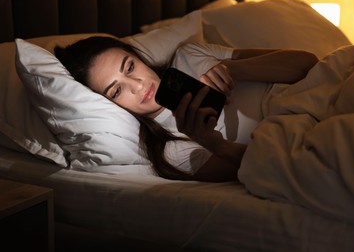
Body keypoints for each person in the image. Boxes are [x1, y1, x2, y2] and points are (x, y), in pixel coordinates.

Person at [54, 36, 318, 182]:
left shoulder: (189, 55)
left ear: (141, 59)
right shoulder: (170, 147)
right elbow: (269, 168)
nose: (136, 85)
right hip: (310, 130)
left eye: (130, 67)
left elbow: (307, 62)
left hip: (323, 88)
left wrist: (234, 70)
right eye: (117, 90)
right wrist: (212, 142)